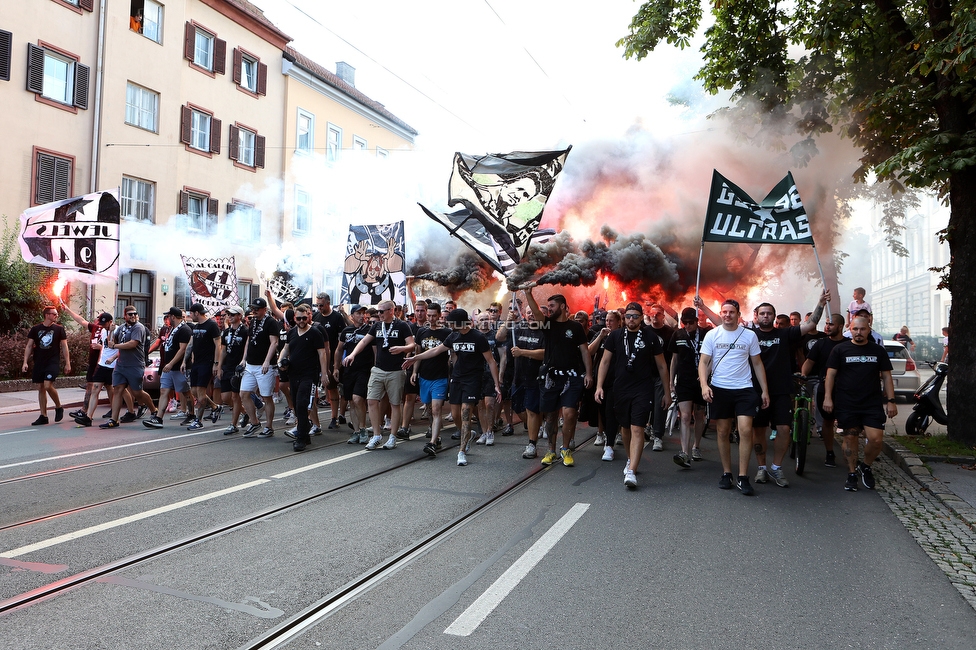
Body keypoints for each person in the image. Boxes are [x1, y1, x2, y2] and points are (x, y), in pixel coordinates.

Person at [751, 291, 829, 488]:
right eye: (762, 313)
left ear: (774, 317)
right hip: (757, 391)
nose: (765, 316)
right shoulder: (749, 335)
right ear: (756, 316)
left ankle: (776, 467)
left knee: (784, 429)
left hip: (781, 390)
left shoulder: (785, 334)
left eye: (769, 313)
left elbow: (810, 324)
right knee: (758, 430)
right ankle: (762, 468)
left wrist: (820, 302)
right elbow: (723, 323)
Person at [402, 308, 501, 466]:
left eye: (451, 321)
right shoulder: (453, 336)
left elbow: (491, 361)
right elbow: (435, 350)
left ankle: (462, 451)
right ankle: (467, 433)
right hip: (457, 378)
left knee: (465, 412)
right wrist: (415, 357)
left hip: (473, 379)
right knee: (455, 415)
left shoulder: (478, 337)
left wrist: (496, 384)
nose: (448, 323)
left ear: (459, 322)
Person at [698, 299, 769, 495]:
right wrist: (704, 385)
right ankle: (727, 472)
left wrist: (764, 390)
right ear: (720, 313)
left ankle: (743, 476)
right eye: (724, 312)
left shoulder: (749, 336)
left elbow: (757, 364)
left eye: (731, 312)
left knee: (746, 430)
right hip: (720, 388)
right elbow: (703, 363)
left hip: (744, 389)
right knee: (722, 431)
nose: (727, 315)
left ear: (738, 314)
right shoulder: (712, 335)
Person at [595, 302, 671, 488]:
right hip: (620, 388)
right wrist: (599, 386)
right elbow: (605, 362)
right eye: (628, 316)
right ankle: (630, 458)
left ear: (641, 317)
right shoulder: (615, 336)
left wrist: (667, 392)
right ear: (624, 318)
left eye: (635, 316)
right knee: (626, 427)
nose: (631, 319)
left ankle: (632, 471)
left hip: (643, 389)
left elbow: (662, 366)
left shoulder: (651, 337)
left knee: (638, 427)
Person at [521, 283, 593, 468]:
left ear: (562, 306)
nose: (549, 308)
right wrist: (528, 293)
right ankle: (551, 450)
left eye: (552, 305)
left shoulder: (576, 327)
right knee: (551, 415)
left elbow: (585, 351)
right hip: (550, 377)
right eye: (548, 306)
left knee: (569, 414)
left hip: (572, 376)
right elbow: (537, 312)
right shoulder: (547, 324)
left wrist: (589, 374)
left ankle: (566, 448)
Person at [823, 316, 897, 491]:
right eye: (855, 329)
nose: (858, 332)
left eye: (862, 329)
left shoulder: (878, 351)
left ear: (868, 330)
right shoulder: (840, 350)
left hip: (871, 402)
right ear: (850, 329)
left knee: (876, 439)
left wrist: (891, 401)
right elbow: (831, 375)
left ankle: (865, 465)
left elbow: (886, 376)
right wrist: (828, 397)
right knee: (850, 438)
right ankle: (851, 474)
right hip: (846, 402)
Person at [341, 299, 415, 450]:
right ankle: (376, 435)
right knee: (371, 400)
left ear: (391, 311)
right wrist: (353, 354)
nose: (378, 314)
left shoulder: (402, 325)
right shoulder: (376, 325)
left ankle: (393, 436)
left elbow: (412, 344)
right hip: (378, 369)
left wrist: (402, 349)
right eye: (378, 311)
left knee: (395, 404)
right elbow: (363, 342)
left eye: (382, 311)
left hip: (396, 370)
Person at [278, 304, 329, 451]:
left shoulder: (315, 332)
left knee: (302, 403)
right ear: (294, 318)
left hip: (309, 374)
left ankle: (300, 437)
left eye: (304, 318)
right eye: (298, 318)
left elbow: (322, 353)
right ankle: (305, 433)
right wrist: (280, 360)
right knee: (295, 402)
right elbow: (286, 348)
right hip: (294, 373)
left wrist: (324, 373)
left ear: (308, 317)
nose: (301, 321)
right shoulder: (292, 332)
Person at [99, 306, 158, 428]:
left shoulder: (139, 328)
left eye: (135, 314)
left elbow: (132, 344)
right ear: (125, 316)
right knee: (118, 390)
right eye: (130, 314)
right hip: (121, 365)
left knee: (137, 393)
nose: (133, 316)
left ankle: (154, 410)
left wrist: (115, 346)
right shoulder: (120, 328)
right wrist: (110, 331)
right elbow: (110, 344)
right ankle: (113, 420)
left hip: (135, 365)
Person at [801, 313, 847, 468]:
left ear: (840, 326)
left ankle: (849, 452)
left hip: (845, 389)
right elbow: (809, 362)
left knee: (848, 423)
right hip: (824, 387)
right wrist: (803, 375)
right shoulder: (820, 344)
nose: (827, 326)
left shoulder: (849, 344)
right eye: (827, 323)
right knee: (827, 421)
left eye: (831, 324)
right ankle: (829, 452)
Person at [669, 306, 711, 467]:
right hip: (684, 381)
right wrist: (671, 381)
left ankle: (696, 446)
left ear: (696, 321)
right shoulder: (678, 334)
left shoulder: (706, 334)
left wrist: (706, 376)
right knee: (685, 416)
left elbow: (712, 357)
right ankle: (684, 452)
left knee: (699, 415)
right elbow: (674, 359)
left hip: (701, 382)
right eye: (684, 322)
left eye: (691, 322)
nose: (687, 326)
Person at [411, 304, 451, 456]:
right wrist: (415, 372)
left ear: (440, 315)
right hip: (425, 376)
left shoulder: (446, 332)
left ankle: (433, 442)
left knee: (436, 409)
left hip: (440, 377)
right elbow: (418, 353)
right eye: (429, 315)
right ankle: (436, 435)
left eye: (434, 315)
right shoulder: (421, 331)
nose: (431, 318)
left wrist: (452, 374)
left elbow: (451, 355)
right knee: (428, 409)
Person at [143, 307, 192, 430]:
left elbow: (183, 349)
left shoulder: (184, 330)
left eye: (168, 316)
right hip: (168, 367)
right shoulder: (171, 329)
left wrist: (171, 363)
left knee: (186, 392)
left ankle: (193, 413)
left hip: (178, 367)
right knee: (164, 391)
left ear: (173, 317)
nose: (167, 318)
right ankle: (159, 418)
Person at [239, 298, 281, 438]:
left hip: (264, 365)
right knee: (244, 393)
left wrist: (267, 361)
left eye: (257, 308)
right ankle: (255, 422)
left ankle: (269, 426)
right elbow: (249, 341)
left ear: (264, 309)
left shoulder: (271, 322)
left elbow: (274, 343)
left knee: (266, 397)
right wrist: (243, 359)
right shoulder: (253, 321)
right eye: (253, 308)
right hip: (250, 364)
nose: (254, 311)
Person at [23, 306, 71, 426]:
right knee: (40, 387)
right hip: (39, 361)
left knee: (47, 385)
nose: (56, 316)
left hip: (52, 361)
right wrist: (25, 362)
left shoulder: (59, 329)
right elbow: (29, 346)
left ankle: (59, 407)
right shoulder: (35, 329)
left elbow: (65, 347)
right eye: (54, 314)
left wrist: (67, 363)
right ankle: (43, 415)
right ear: (47, 315)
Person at [311, 292, 350, 429]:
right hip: (316, 358)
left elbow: (342, 341)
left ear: (328, 303)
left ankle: (335, 417)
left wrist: (336, 363)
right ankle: (312, 419)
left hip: (333, 356)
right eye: (317, 305)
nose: (319, 307)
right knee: (313, 388)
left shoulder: (337, 317)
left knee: (332, 387)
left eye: (321, 305)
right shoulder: (315, 317)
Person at [336, 305, 373, 444]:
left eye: (363, 313)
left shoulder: (369, 330)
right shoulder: (347, 331)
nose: (362, 315)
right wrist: (336, 367)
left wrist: (374, 367)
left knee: (358, 399)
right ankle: (356, 431)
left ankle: (363, 428)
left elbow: (375, 350)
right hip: (348, 370)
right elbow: (339, 349)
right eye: (358, 313)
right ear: (352, 316)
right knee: (351, 400)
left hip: (364, 369)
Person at [73, 314, 119, 427]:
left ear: (111, 322)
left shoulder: (119, 330)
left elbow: (116, 346)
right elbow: (107, 344)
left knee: (112, 390)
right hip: (102, 364)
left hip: (113, 365)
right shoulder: (103, 330)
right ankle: (88, 417)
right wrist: (99, 361)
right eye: (101, 324)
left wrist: (113, 357)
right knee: (95, 389)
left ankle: (115, 417)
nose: (103, 326)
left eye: (105, 324)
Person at [182, 304, 221, 430]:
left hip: (207, 362)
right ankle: (215, 407)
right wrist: (184, 361)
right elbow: (190, 344)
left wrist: (216, 363)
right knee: (194, 391)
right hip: (196, 363)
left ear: (197, 313)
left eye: (191, 313)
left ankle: (198, 420)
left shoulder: (212, 325)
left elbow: (218, 346)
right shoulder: (196, 326)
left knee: (201, 392)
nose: (189, 316)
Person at [214, 306, 248, 434]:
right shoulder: (226, 332)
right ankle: (245, 412)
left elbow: (246, 348)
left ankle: (233, 425)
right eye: (229, 314)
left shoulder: (245, 331)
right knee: (225, 397)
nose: (230, 316)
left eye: (233, 314)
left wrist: (243, 363)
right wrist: (219, 366)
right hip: (227, 367)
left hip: (238, 367)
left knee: (235, 397)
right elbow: (223, 350)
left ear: (240, 316)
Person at [645, 303, 675, 451]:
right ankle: (645, 428)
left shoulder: (669, 332)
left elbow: (672, 357)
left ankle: (658, 436)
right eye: (652, 314)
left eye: (658, 314)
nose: (655, 316)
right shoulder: (644, 331)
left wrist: (670, 379)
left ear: (663, 316)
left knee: (660, 405)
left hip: (660, 375)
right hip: (645, 374)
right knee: (644, 404)